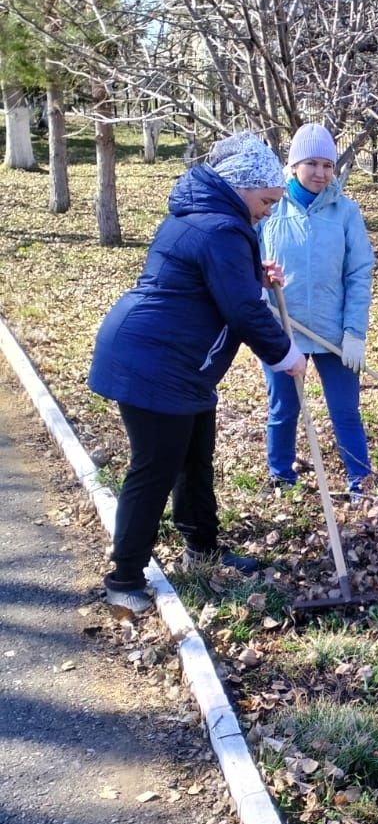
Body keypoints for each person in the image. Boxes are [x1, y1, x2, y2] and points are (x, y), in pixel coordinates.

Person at [88, 134, 306, 615]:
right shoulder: (220, 229)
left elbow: (216, 283)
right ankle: (124, 577)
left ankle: (201, 548)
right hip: (154, 362)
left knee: (194, 457)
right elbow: (243, 311)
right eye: (267, 200)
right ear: (242, 187)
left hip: (178, 363)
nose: (269, 210)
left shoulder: (210, 216)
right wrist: (285, 354)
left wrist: (252, 275)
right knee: (155, 468)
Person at [258, 124, 375, 495]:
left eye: (328, 164)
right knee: (283, 410)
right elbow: (248, 261)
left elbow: (359, 272)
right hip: (283, 331)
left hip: (333, 333)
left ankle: (360, 480)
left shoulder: (345, 211)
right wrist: (260, 288)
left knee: (345, 412)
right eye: (312, 163)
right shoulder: (270, 208)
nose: (321, 173)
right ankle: (281, 477)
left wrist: (354, 332)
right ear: (293, 166)